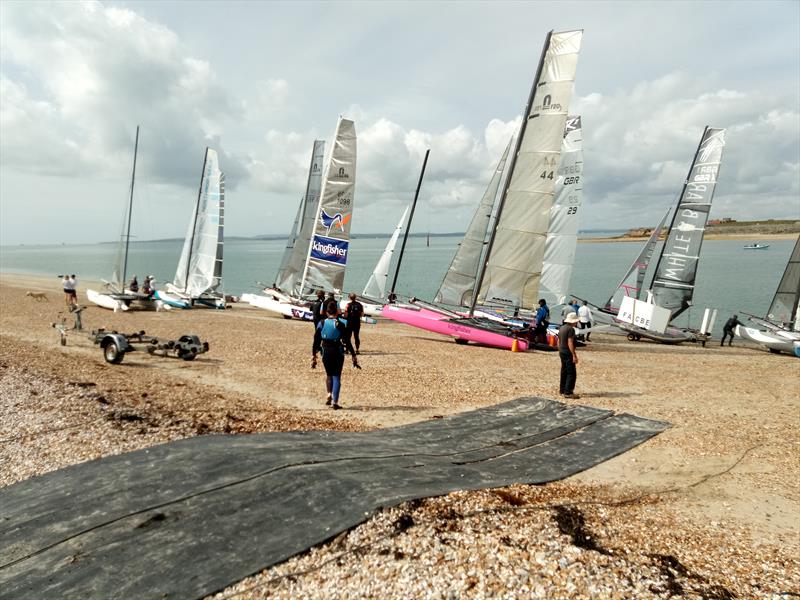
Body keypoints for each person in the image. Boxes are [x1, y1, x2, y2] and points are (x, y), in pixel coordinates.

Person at [312, 303, 359, 409]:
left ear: (326, 312)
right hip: (338, 351)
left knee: (329, 374)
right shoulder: (341, 323)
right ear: (337, 312)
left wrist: (313, 354)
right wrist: (353, 354)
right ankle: (335, 402)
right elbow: (347, 340)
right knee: (336, 376)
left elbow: (316, 340)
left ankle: (329, 393)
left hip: (325, 351)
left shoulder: (322, 323)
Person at [558, 312, 580, 399]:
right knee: (571, 372)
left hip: (562, 351)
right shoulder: (571, 329)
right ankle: (568, 392)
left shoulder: (562, 328)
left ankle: (562, 390)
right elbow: (570, 342)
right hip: (567, 352)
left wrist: (559, 349)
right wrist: (574, 355)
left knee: (564, 370)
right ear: (573, 322)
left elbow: (558, 340)